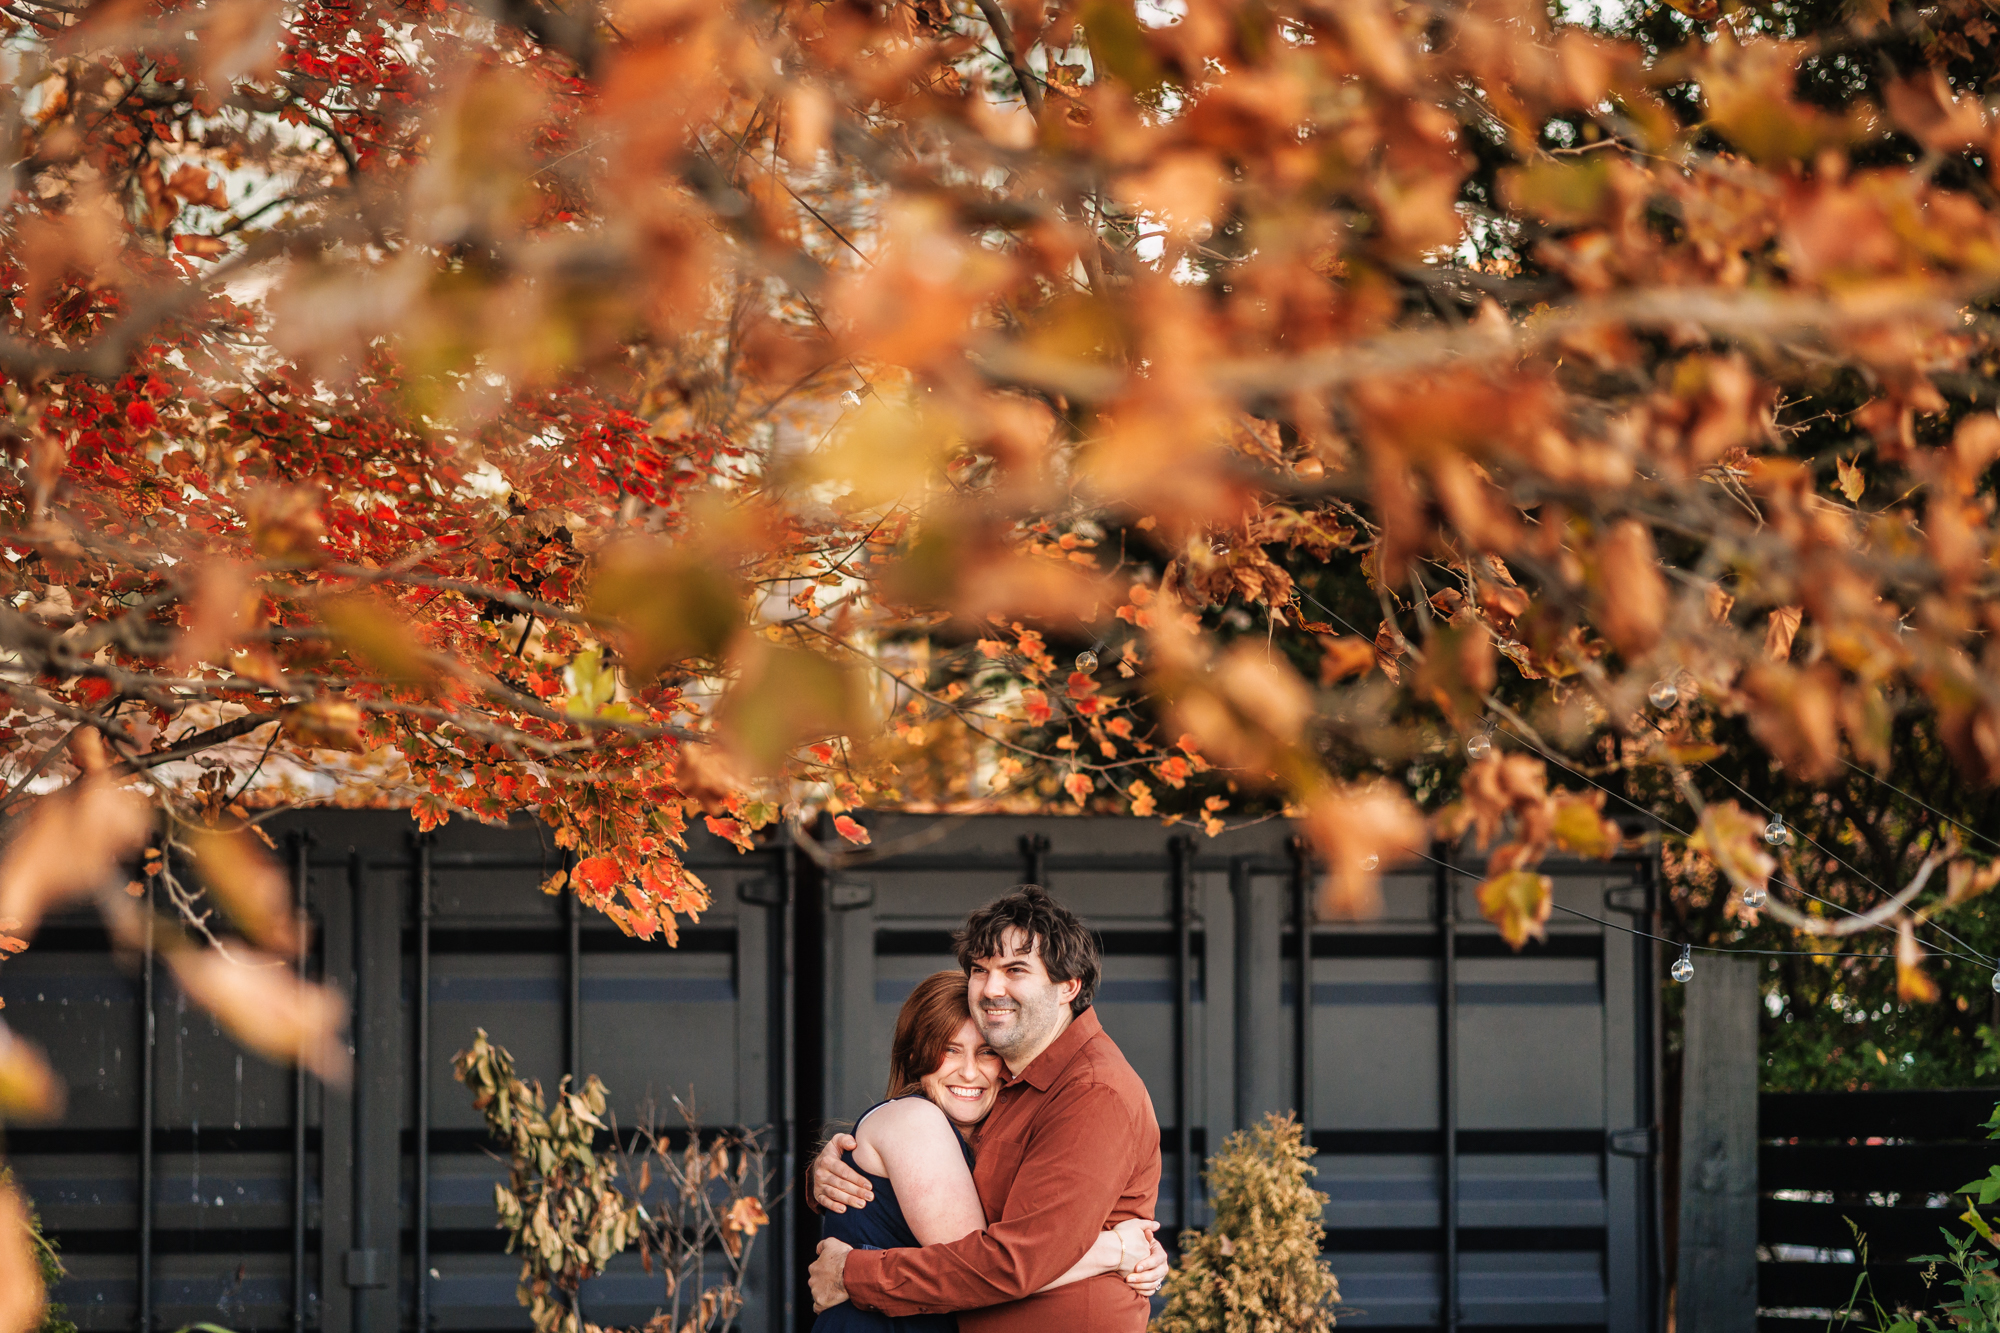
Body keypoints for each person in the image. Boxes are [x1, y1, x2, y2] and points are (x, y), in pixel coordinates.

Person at [809, 886, 1165, 1333]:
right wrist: (1113, 1250)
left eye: (1015, 969)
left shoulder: (1090, 1093)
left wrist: (853, 1273)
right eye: (981, 969)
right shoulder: (1014, 1088)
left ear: (1068, 986)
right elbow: (997, 1256)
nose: (993, 988)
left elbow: (1009, 1263)